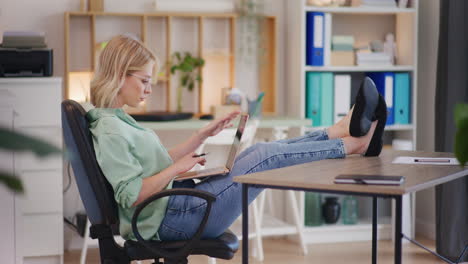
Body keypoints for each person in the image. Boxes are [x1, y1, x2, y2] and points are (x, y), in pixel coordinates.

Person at [86, 34, 386, 242]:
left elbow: (156, 162)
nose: (149, 89)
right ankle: (352, 144)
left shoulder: (118, 120)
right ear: (120, 74)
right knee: (263, 156)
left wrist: (200, 136)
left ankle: (338, 133)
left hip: (180, 207)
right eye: (145, 81)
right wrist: (176, 170)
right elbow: (131, 194)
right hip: (175, 218)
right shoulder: (111, 129)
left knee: (261, 150)